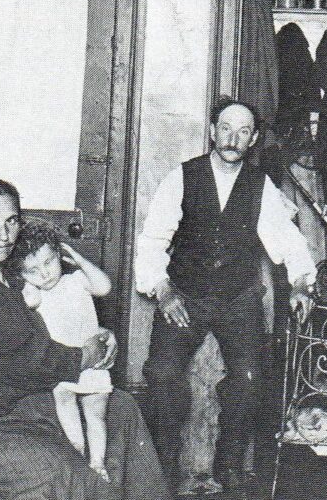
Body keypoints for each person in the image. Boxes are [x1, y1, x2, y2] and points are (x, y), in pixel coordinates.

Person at [0, 177, 169, 500]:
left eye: (11, 221)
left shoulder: (11, 272)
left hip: (19, 403)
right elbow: (31, 361)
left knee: (122, 409)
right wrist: (88, 354)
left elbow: (56, 322)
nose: (3, 235)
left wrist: (100, 337)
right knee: (60, 472)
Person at [135, 98, 316, 493]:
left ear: (253, 139)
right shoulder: (182, 178)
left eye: (244, 131)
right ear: (213, 130)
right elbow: (151, 242)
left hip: (238, 298)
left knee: (251, 379)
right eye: (227, 128)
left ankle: (229, 464)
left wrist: (302, 283)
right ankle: (164, 466)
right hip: (184, 294)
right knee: (162, 375)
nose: (233, 139)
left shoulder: (259, 186)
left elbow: (288, 240)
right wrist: (164, 291)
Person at [12, 221, 113, 482]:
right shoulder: (36, 295)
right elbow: (28, 301)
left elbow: (104, 287)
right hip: (64, 367)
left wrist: (78, 259)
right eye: (33, 271)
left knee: (96, 414)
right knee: (65, 402)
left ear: (60, 256)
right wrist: (26, 282)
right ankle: (78, 453)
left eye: (48, 262)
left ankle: (97, 462)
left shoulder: (77, 280)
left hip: (92, 364)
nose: (44, 274)